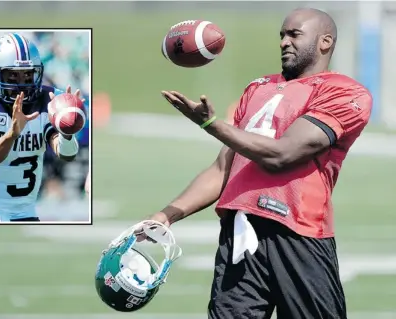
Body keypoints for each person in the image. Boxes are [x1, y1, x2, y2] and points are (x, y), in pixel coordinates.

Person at [142, 8, 372, 319]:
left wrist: (211, 123)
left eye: (294, 35)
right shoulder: (258, 88)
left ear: (325, 41)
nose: (284, 42)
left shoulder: (345, 92)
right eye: (281, 35)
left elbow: (282, 155)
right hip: (240, 232)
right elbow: (224, 168)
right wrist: (165, 216)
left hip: (297, 235)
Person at [0, 33, 84, 222]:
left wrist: (67, 132)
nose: (22, 84)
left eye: (28, 75)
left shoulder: (47, 101)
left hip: (24, 211)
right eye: (12, 75)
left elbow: (67, 154)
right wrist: (12, 134)